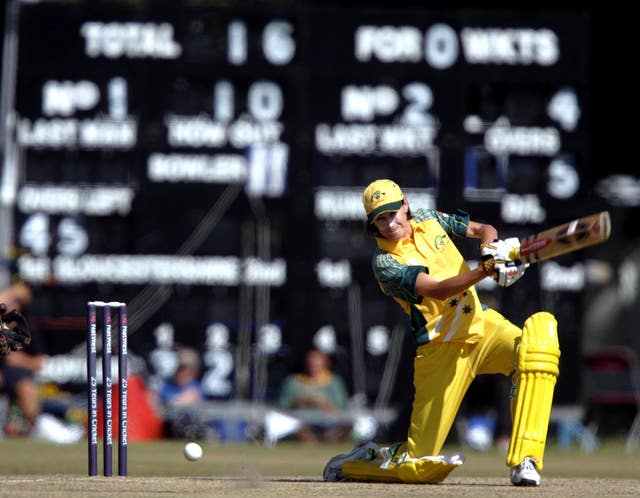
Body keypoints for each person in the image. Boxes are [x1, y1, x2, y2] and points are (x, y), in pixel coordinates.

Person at [323, 179, 560, 487]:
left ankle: (526, 459)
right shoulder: (385, 263)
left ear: (405, 205)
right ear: (372, 224)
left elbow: (482, 228)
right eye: (380, 218)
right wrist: (486, 270)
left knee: (536, 347)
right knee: (417, 465)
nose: (390, 222)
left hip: (483, 327)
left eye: (393, 212)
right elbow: (435, 290)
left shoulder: (428, 218)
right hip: (441, 350)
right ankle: (357, 463)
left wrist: (493, 248)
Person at [0, 281, 83, 443]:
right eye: (10, 298)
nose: (11, 304)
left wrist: (20, 360)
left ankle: (35, 430)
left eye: (17, 301)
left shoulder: (26, 328)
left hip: (17, 373)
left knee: (27, 388)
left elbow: (39, 362)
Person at [278, 348, 351, 443]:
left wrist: (324, 404)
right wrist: (297, 403)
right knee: (296, 425)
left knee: (348, 424)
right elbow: (281, 409)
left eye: (317, 364)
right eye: (310, 364)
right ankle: (312, 444)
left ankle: (328, 443)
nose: (313, 367)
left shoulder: (334, 382)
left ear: (326, 364)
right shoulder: (293, 382)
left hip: (327, 422)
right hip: (302, 421)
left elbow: (342, 411)